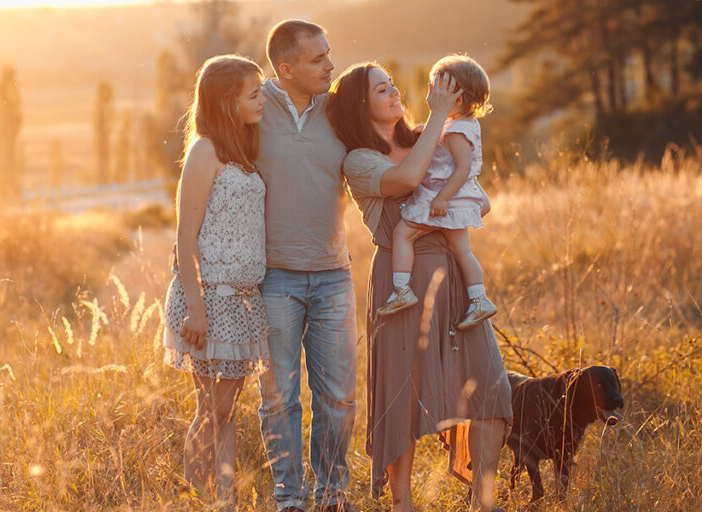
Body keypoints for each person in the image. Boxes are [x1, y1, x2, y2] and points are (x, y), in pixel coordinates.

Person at [327, 62, 512, 512]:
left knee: (490, 386)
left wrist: (459, 196)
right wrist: (437, 117)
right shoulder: (359, 160)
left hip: (452, 274)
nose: (394, 91)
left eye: (393, 83)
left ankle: (483, 500)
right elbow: (408, 179)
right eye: (381, 88)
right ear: (360, 104)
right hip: (400, 282)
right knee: (401, 396)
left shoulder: (427, 137)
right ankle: (403, 504)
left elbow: (478, 195)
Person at [255, 20, 356, 512]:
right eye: (318, 60)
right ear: (286, 68)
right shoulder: (252, 108)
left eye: (329, 55)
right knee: (279, 399)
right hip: (273, 277)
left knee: (337, 398)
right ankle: (289, 500)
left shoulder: (339, 109)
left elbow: (388, 143)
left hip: (334, 274)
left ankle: (333, 496)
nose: (330, 67)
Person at [161, 54, 269, 507]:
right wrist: (197, 310)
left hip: (243, 303)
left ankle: (225, 499)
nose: (262, 101)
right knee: (213, 409)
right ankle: (193, 496)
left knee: (226, 413)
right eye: (254, 94)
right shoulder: (204, 151)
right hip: (208, 302)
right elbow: (185, 238)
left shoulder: (242, 151)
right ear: (228, 101)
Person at [378, 55, 497, 332]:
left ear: (455, 99)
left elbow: (463, 168)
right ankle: (479, 299)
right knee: (462, 250)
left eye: (435, 88)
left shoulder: (455, 132)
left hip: (445, 198)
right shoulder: (461, 124)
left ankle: (401, 289)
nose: (430, 91)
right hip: (457, 198)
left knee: (403, 233)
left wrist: (442, 198)